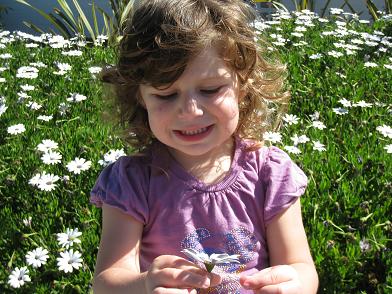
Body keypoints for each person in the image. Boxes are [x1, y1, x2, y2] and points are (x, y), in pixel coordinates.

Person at [90, 0, 319, 293]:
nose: (190, 111)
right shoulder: (132, 182)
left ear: (243, 86)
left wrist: (294, 284)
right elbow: (107, 281)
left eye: (210, 90)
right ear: (139, 97)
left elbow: (302, 269)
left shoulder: (270, 174)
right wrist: (145, 284)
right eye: (165, 95)